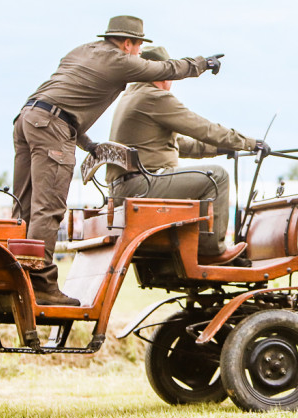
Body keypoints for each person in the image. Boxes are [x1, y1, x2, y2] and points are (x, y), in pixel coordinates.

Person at [13, 16, 219, 306]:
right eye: (137, 46)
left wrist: (87, 144)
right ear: (127, 43)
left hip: (27, 118)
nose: (138, 53)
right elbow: (164, 68)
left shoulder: (81, 51)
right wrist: (202, 64)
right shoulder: (120, 60)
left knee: (23, 205)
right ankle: (41, 284)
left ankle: (14, 273)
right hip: (51, 126)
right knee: (48, 208)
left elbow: (66, 101)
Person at [105, 44, 268, 266]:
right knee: (217, 177)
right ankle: (212, 250)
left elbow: (177, 144)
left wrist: (224, 148)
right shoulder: (154, 97)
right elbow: (202, 128)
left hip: (126, 186)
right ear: (163, 74)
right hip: (141, 185)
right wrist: (249, 143)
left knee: (209, 175)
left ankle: (198, 245)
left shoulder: (132, 96)